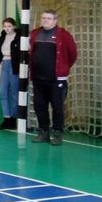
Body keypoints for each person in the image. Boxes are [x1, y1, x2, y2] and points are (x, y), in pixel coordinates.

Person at [28, 10, 78, 146]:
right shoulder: (35, 33)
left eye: (48, 18)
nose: (45, 20)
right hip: (38, 79)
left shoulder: (64, 35)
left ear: (55, 20)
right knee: (39, 106)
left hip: (56, 80)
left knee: (57, 107)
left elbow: (72, 54)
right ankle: (43, 132)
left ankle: (57, 134)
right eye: (43, 18)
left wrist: (63, 68)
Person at [0, 18, 21, 130]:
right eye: (5, 26)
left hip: (14, 65)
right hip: (5, 63)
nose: (7, 28)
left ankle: (13, 118)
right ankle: (6, 118)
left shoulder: (19, 36)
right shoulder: (3, 36)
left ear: (14, 26)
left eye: (9, 26)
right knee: (2, 91)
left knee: (14, 92)